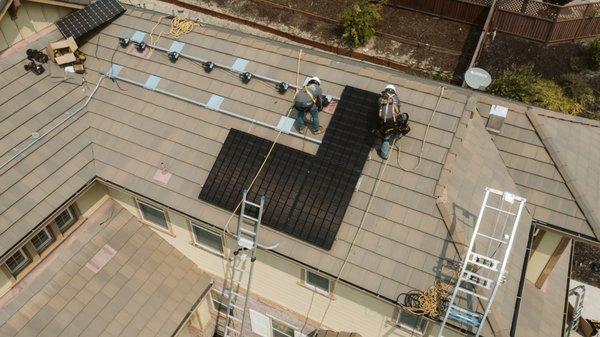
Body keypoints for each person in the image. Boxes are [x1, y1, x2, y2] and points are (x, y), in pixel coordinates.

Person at [375, 84, 410, 159]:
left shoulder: (380, 99)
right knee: (404, 119)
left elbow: (379, 109)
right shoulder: (396, 98)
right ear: (394, 91)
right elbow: (398, 110)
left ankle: (384, 154)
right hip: (394, 123)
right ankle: (398, 134)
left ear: (385, 90)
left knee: (386, 138)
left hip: (385, 124)